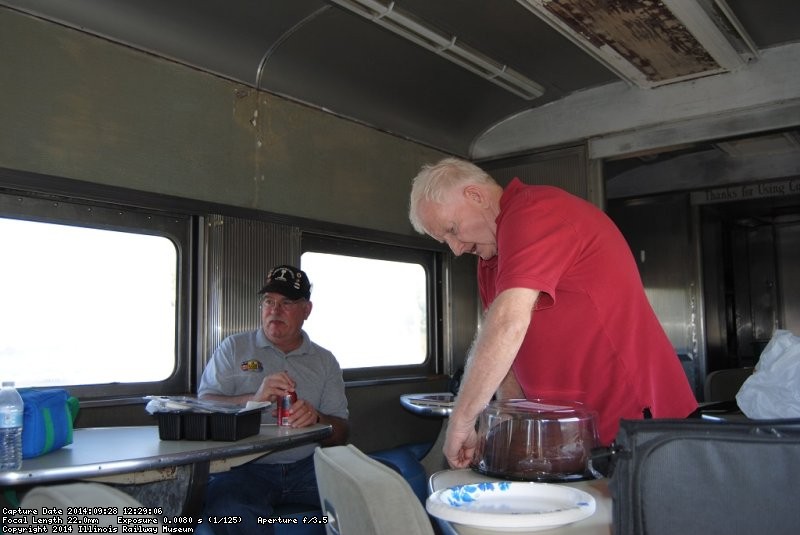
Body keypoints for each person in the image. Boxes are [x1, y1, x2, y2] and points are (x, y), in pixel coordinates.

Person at [408, 157, 697, 468]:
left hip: (644, 427)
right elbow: (507, 357)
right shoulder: (490, 260)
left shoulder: (533, 212)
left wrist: (462, 422)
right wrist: (504, 431)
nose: (456, 249)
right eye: (445, 240)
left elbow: (507, 325)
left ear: (476, 196)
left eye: (453, 230)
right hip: (579, 438)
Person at [197, 264, 349, 534]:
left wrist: (316, 420)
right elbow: (204, 404)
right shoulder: (234, 348)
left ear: (306, 310)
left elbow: (341, 431)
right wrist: (254, 400)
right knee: (230, 507)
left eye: (286, 302)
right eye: (269, 301)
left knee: (365, 490)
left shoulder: (325, 361)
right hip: (245, 468)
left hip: (308, 467)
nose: (274, 310)